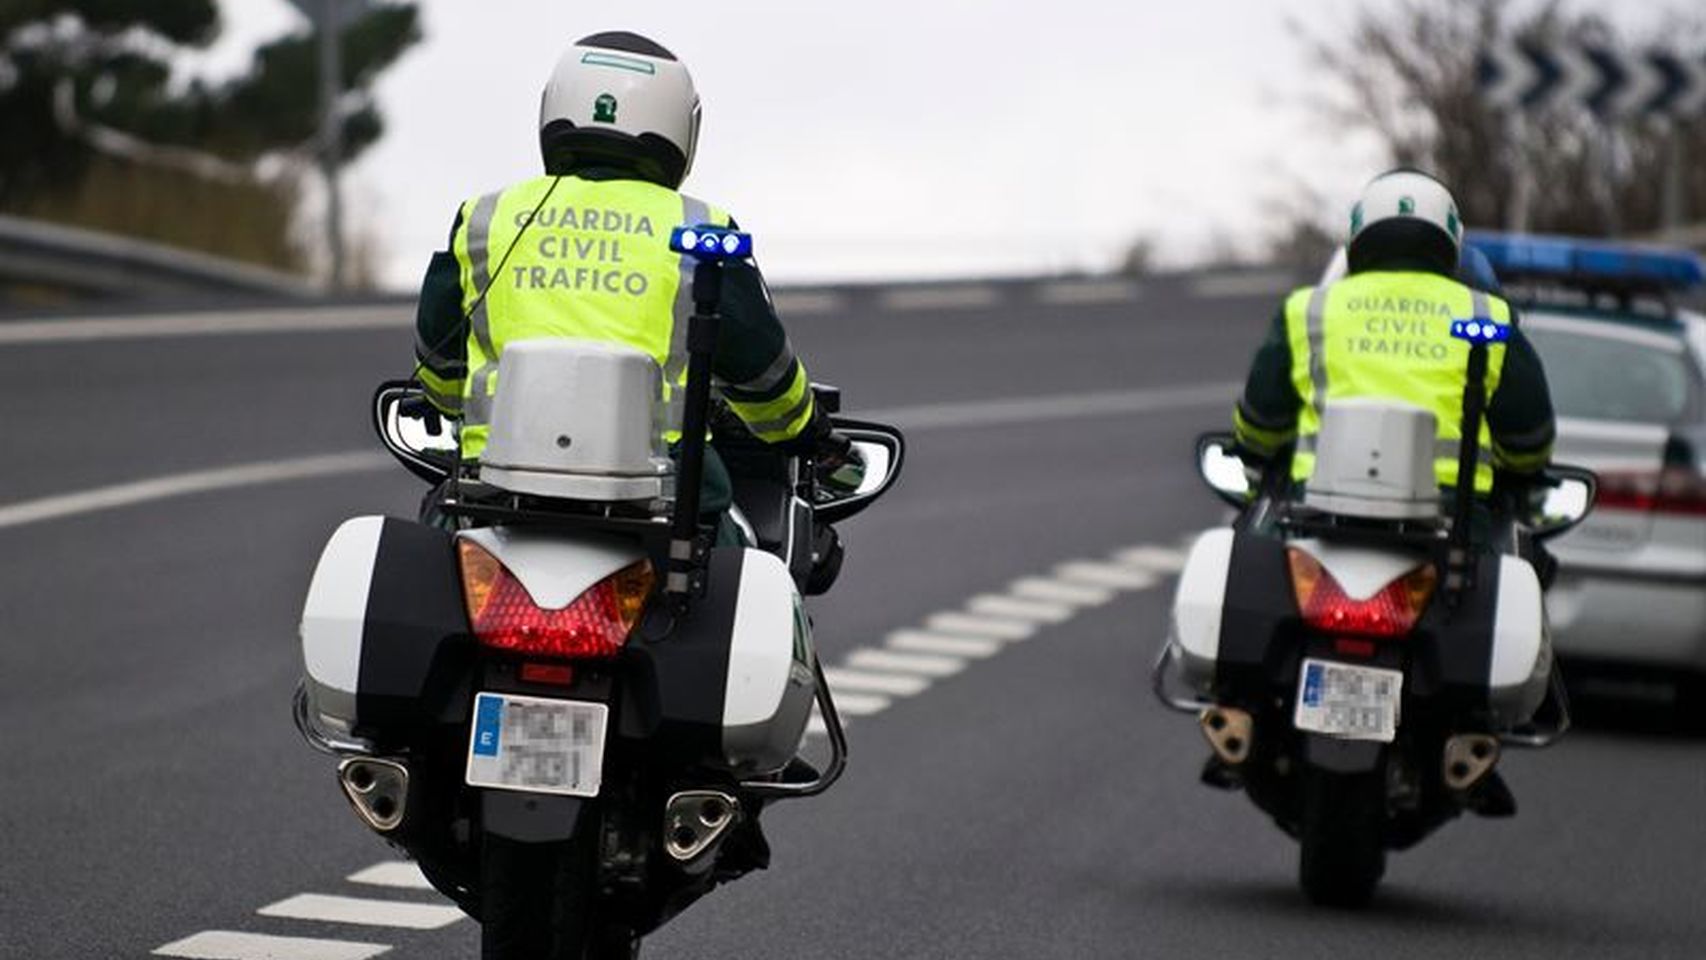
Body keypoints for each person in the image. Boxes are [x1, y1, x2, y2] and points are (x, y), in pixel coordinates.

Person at [409, 30, 858, 539]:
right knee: (752, 570)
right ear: (681, 128)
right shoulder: (702, 227)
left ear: (553, 108)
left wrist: (447, 402)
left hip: (490, 488)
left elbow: (438, 356)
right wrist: (805, 430)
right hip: (665, 499)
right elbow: (763, 368)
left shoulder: (487, 217)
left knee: (430, 544)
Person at [1232, 169, 1555, 510]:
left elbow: (1259, 423)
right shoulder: (1485, 318)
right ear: (1451, 242)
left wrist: (1258, 450)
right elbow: (1529, 440)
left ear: (1358, 237)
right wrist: (1519, 471)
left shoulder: (1311, 309)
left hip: (1314, 514)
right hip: (1454, 521)